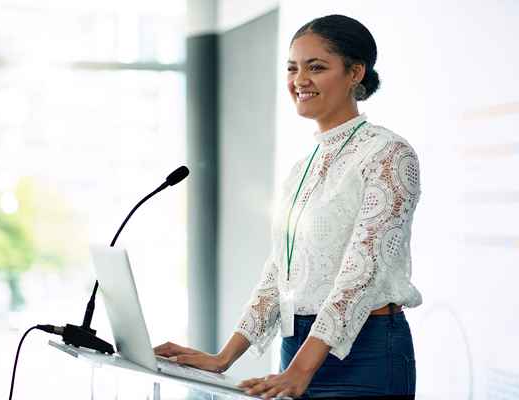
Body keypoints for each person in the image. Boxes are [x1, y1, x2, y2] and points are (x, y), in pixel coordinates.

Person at [155, 14, 422, 399]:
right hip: (296, 350)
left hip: (367, 356)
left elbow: (362, 273)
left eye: (316, 67)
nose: (300, 80)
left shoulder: (389, 154)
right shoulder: (302, 168)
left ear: (354, 73)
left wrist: (301, 369)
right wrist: (223, 357)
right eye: (293, 68)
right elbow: (279, 273)